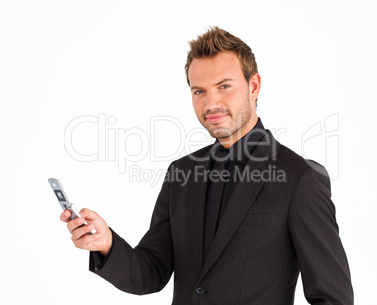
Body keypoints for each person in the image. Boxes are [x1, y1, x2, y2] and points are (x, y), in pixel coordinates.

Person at [61, 26, 353, 304]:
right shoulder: (182, 174)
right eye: (199, 91)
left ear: (254, 86)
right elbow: (151, 273)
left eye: (224, 86)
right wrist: (106, 243)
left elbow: (333, 297)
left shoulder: (300, 177)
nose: (211, 103)